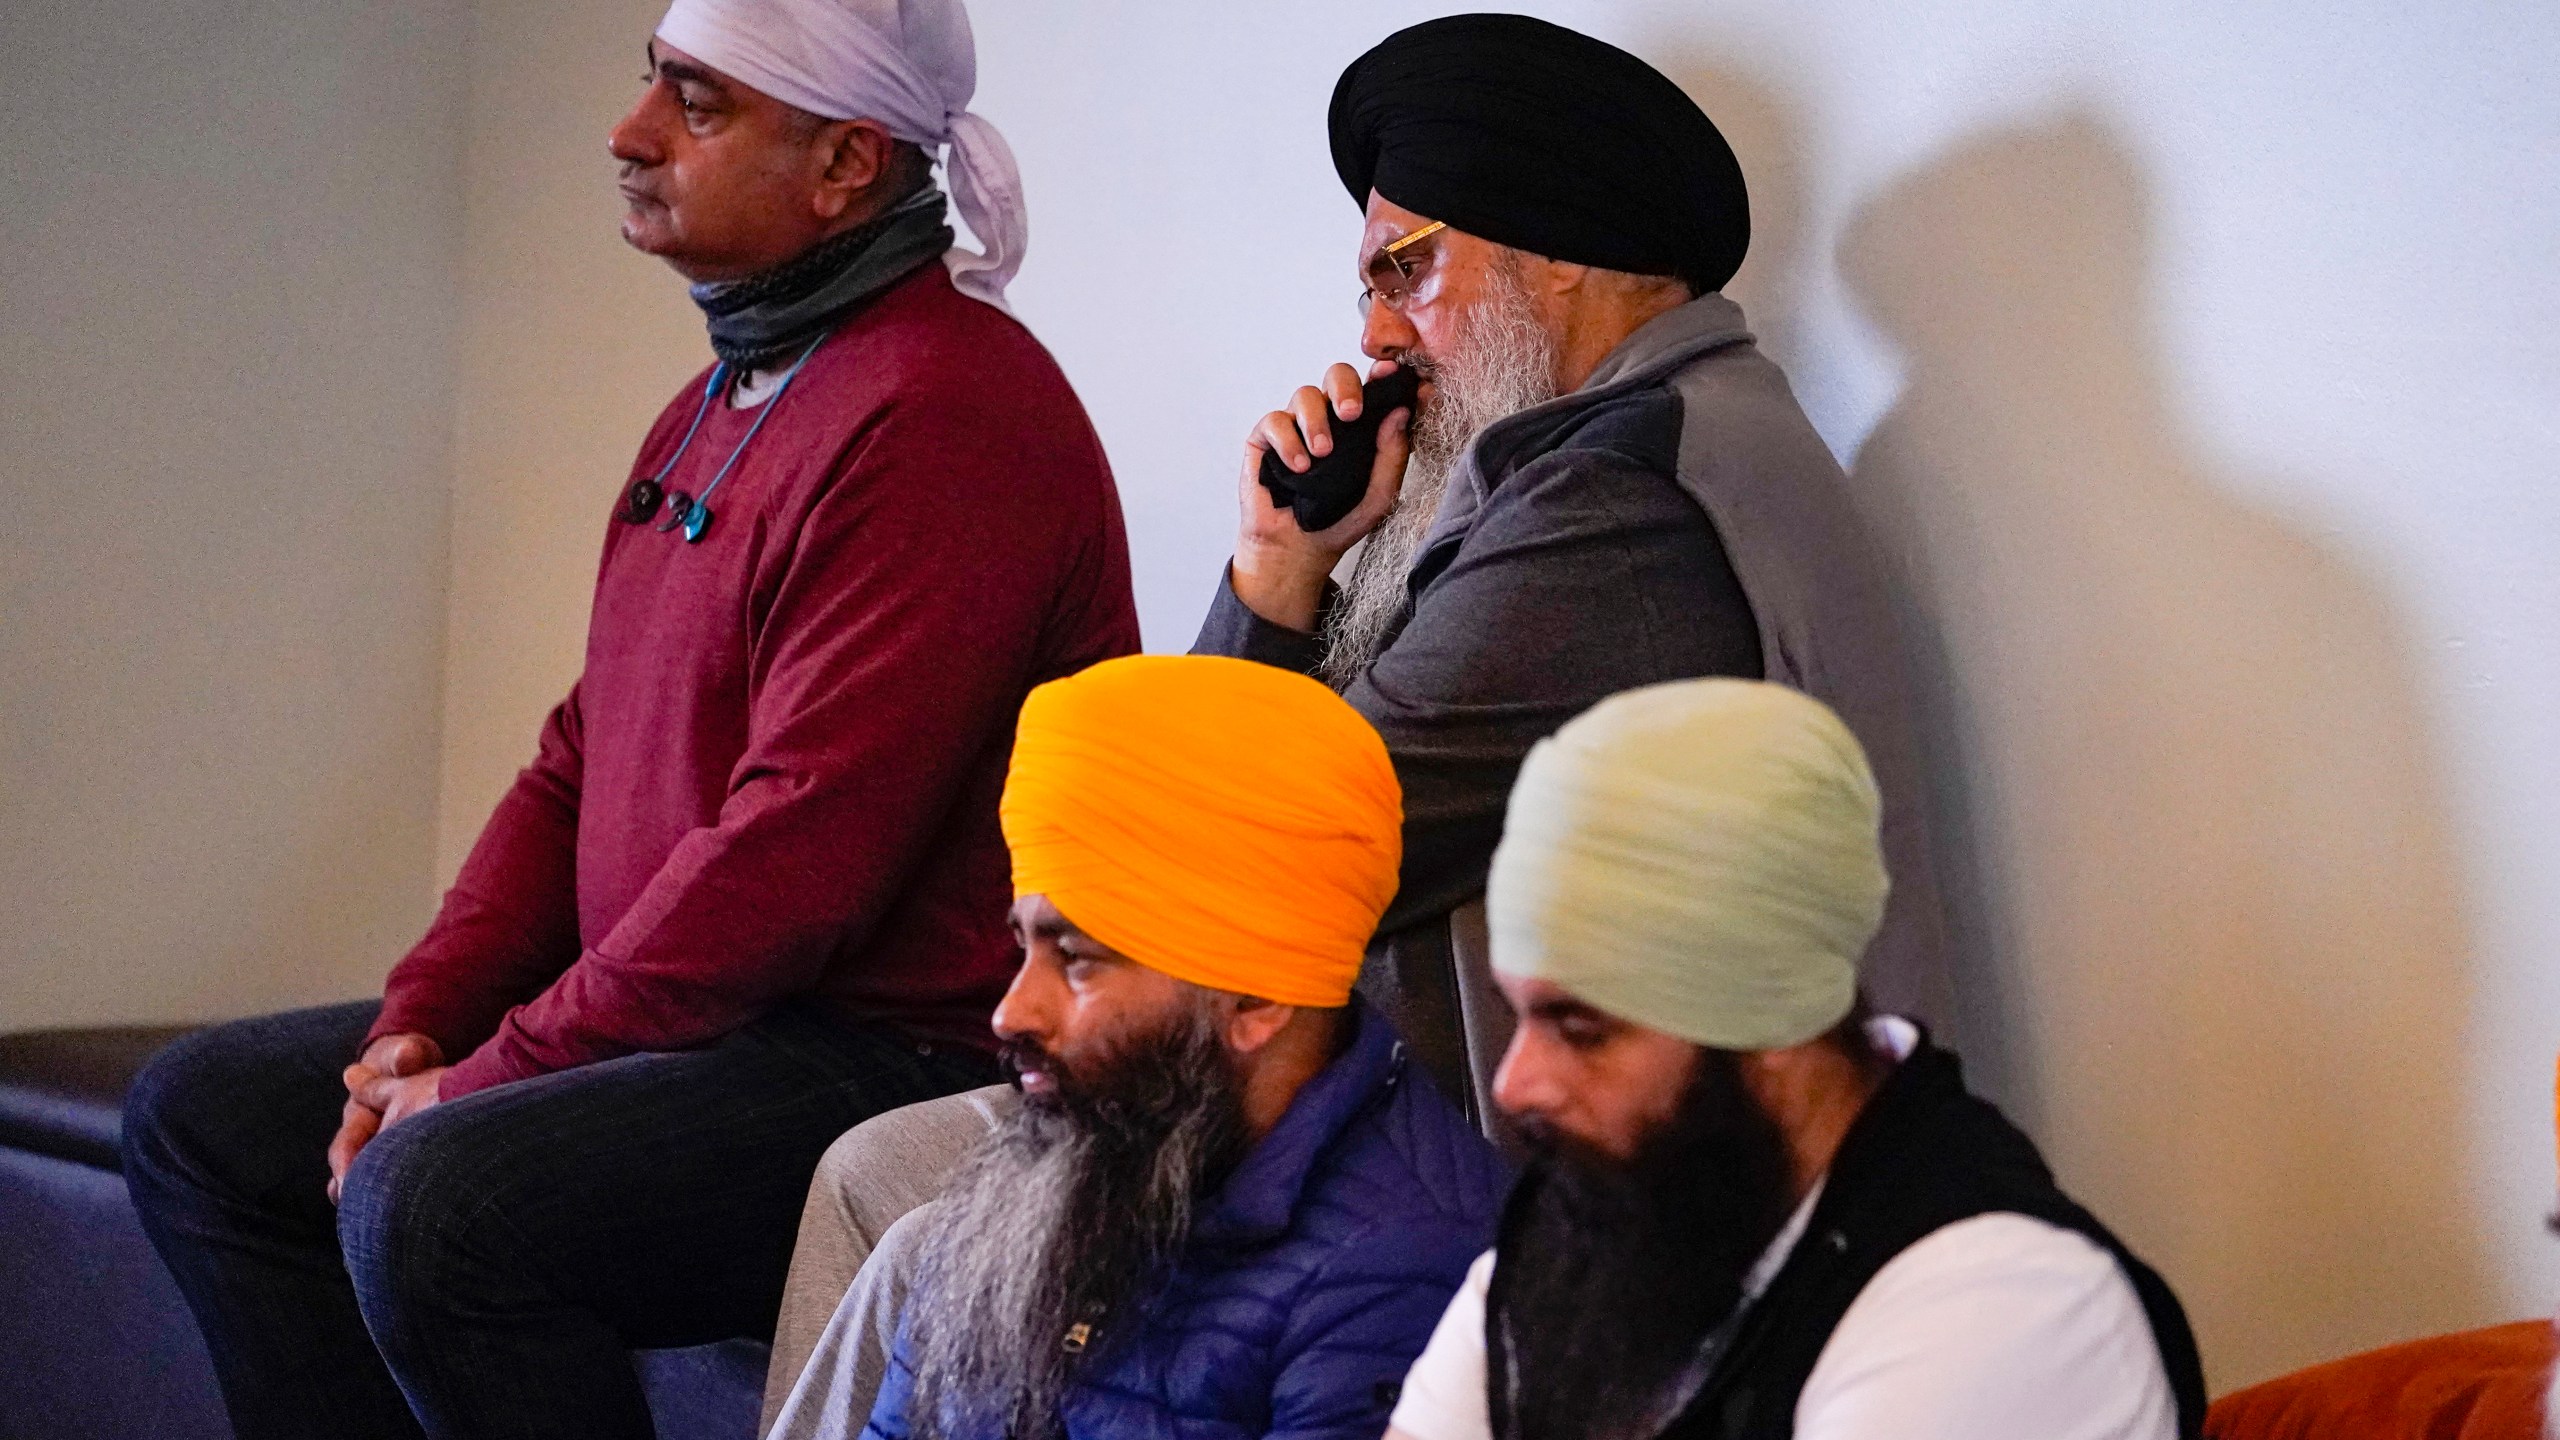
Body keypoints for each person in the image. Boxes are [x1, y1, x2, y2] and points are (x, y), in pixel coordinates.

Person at [119, 0, 1137, 1434]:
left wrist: (498, 1074)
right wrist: (415, 1034)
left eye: (697, 103)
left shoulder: (947, 412)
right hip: (725, 1023)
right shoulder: (726, 398)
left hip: (890, 1057)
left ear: (847, 162)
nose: (629, 131)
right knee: (206, 1119)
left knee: (444, 1203)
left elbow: (796, 865)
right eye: (649, 83)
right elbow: (577, 762)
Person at [1197, 12, 1952, 1095]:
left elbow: (1251, 867)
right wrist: (1281, 558)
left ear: (1551, 251)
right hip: (1423, 1127)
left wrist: (1274, 588)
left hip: (1565, 1191)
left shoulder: (1615, 505)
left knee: (880, 1180)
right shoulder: (1666, 437)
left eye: (1403, 269)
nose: (1376, 335)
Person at [1384, 679, 2208, 1440]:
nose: (1513, 1082)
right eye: (1516, 1015)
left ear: (1765, 1020)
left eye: (1580, 1028)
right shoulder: (1610, 1219)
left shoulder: (1994, 1303)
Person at [788, 654, 1509, 1440]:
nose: (1010, 1012)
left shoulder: (1403, 1271)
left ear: (1255, 996)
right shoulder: (1082, 1149)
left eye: (1078, 959)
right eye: (1022, 948)